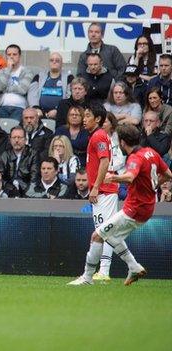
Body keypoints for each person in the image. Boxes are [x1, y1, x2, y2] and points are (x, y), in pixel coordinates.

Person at [69, 124, 172, 286]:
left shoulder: (135, 158)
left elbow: (130, 177)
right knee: (112, 237)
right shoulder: (151, 153)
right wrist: (153, 185)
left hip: (134, 209)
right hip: (146, 208)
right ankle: (134, 266)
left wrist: (113, 178)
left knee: (97, 236)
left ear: (123, 142)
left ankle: (87, 278)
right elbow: (168, 174)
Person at [80, 103, 119, 282]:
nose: (83, 119)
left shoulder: (98, 136)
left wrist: (95, 186)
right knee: (104, 231)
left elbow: (104, 161)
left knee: (103, 232)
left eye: (87, 115)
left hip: (104, 190)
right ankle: (129, 266)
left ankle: (103, 271)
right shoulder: (97, 136)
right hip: (103, 190)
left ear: (97, 119)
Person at [0, 126, 40, 198]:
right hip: (8, 191)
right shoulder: (4, 155)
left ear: (25, 140)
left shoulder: (33, 154)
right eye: (14, 137)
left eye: (19, 137)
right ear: (10, 140)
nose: (16, 140)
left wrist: (25, 192)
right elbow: (1, 177)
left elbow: (34, 178)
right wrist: (11, 189)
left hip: (28, 191)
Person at [0, 44, 34, 121]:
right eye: (9, 55)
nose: (11, 57)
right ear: (6, 56)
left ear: (19, 56)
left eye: (14, 54)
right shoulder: (0, 72)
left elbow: (23, 89)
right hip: (2, 107)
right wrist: (8, 69)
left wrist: (6, 88)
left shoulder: (27, 72)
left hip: (20, 108)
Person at [28, 52, 74, 119]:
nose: (54, 62)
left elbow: (70, 96)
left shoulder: (69, 77)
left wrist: (58, 110)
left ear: (62, 64)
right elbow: (32, 93)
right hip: (39, 111)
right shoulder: (39, 76)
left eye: (57, 60)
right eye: (51, 60)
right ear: (49, 63)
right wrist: (36, 108)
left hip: (61, 112)